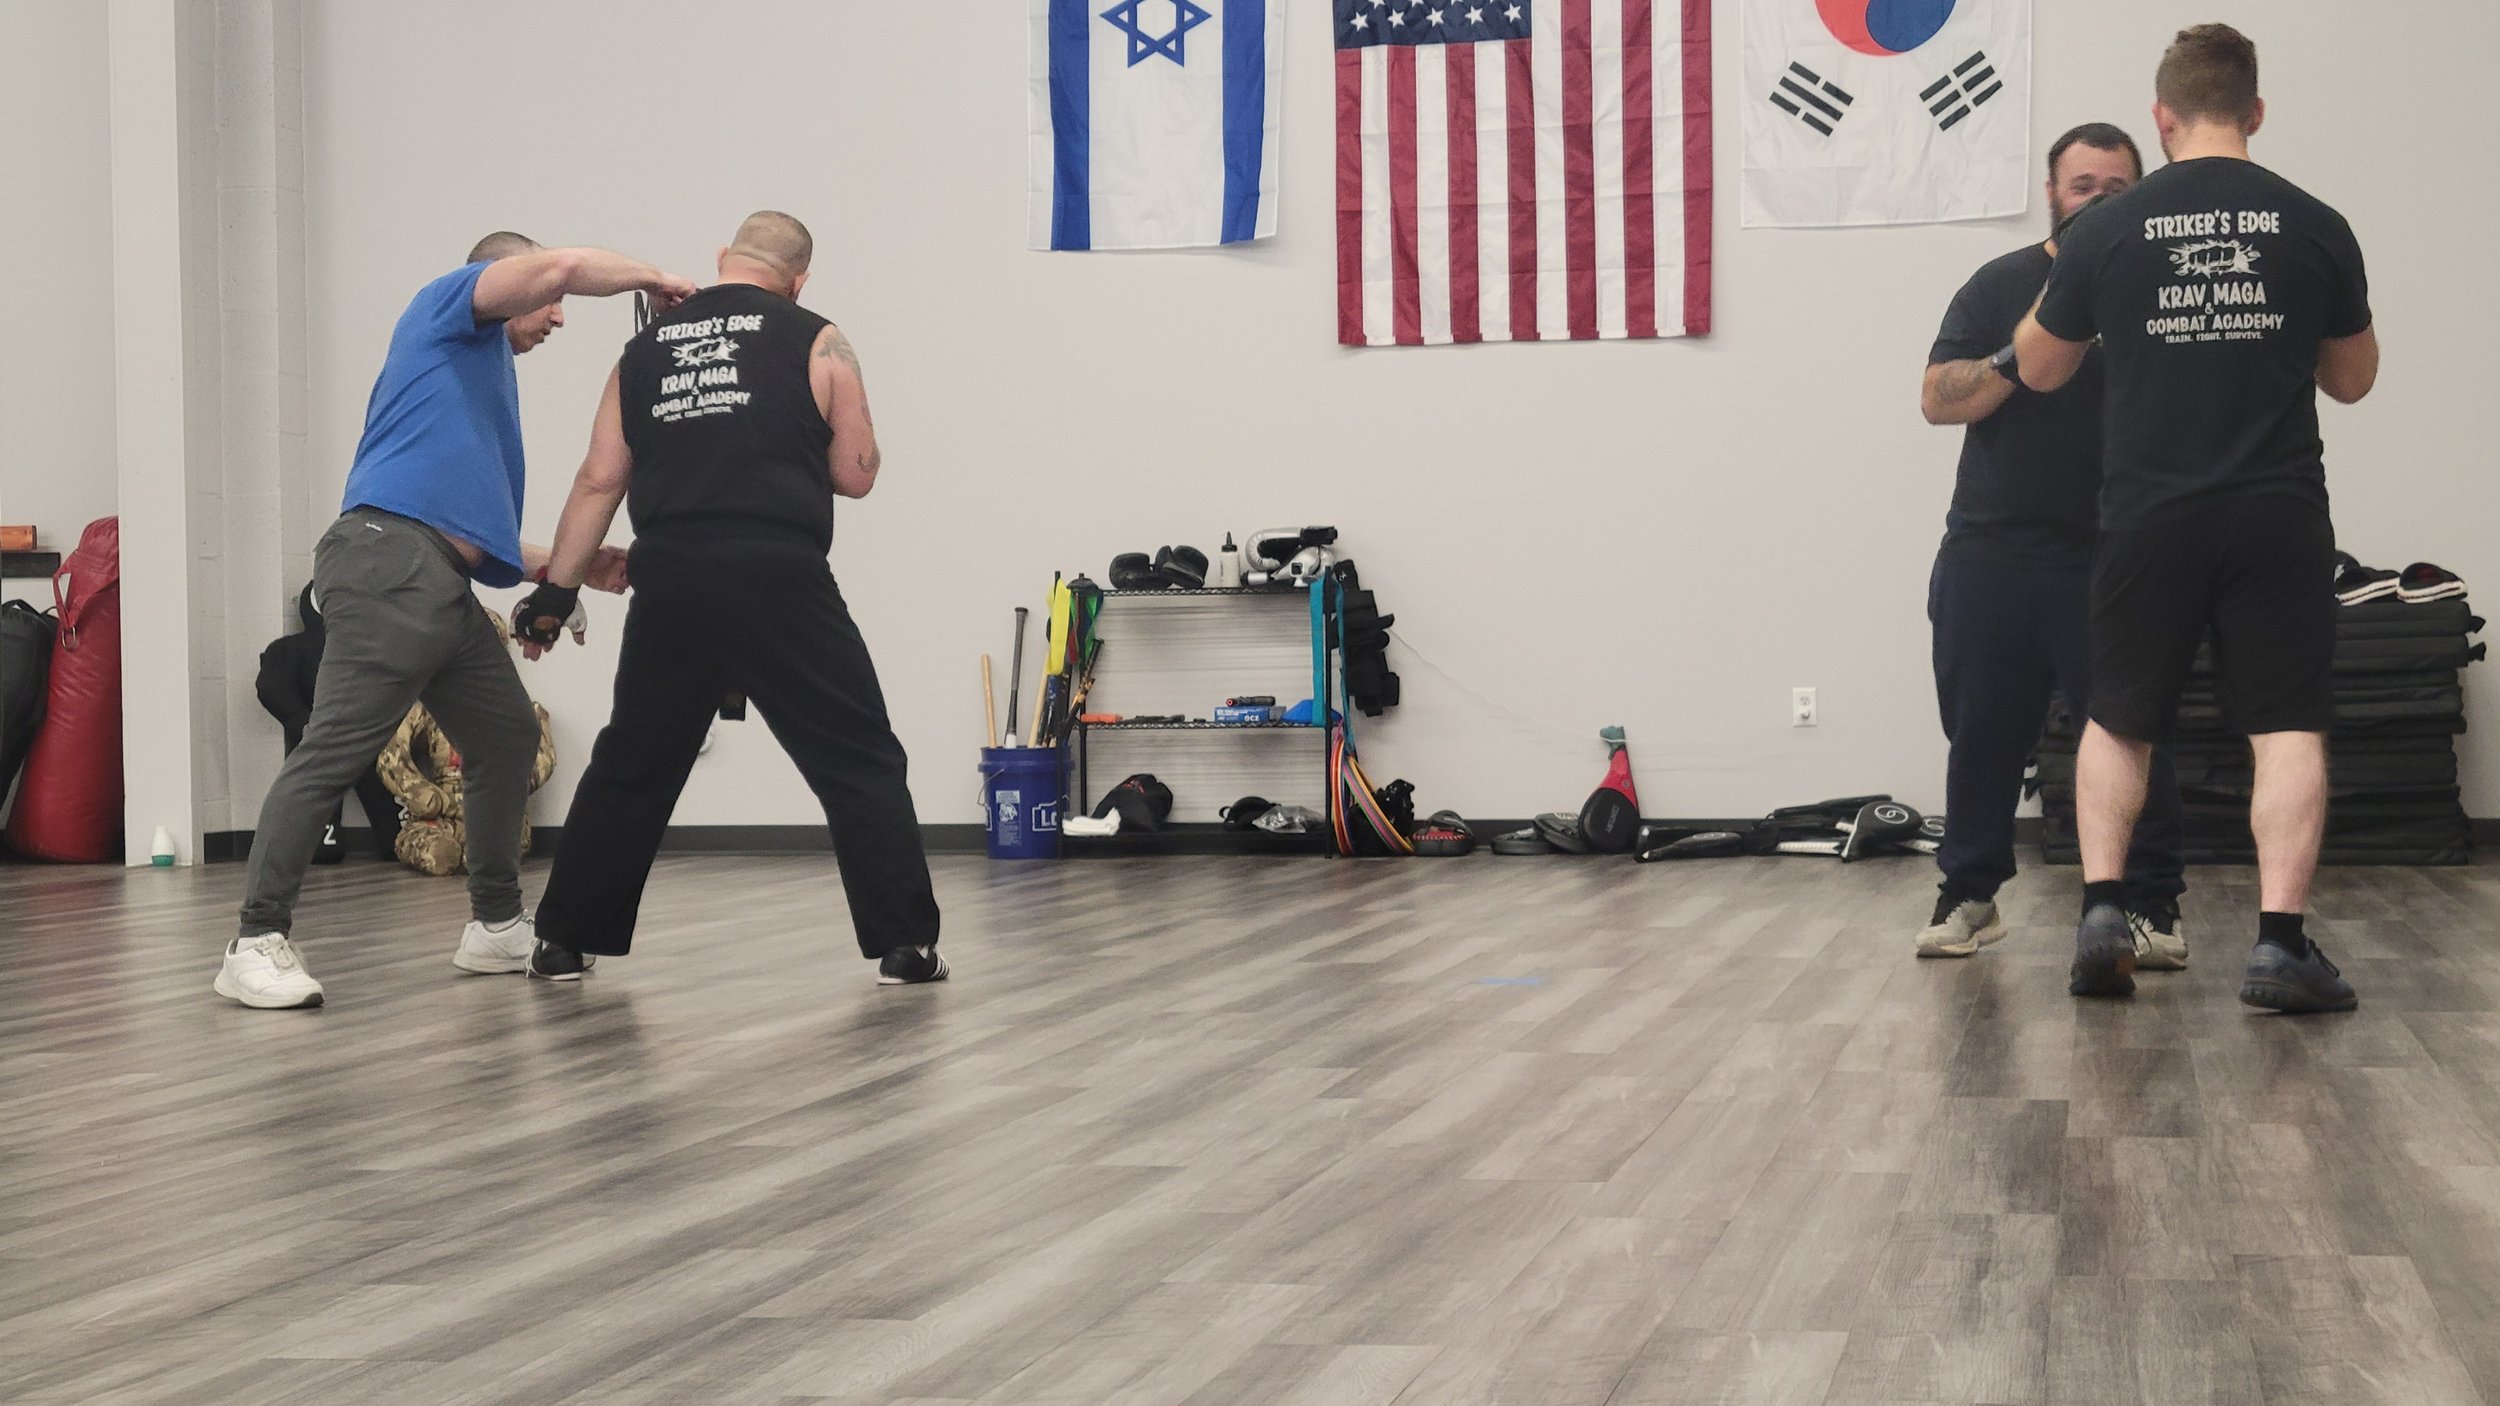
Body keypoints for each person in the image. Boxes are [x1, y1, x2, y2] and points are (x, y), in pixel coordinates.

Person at [214, 233, 696, 1010]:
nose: (559, 316)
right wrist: (653, 277)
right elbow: (564, 265)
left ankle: (496, 925)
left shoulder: (478, 376)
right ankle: (255, 940)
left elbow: (467, 532)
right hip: (388, 561)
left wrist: (566, 568)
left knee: (506, 737)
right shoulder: (444, 309)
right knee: (334, 749)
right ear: (502, 280)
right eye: (549, 302)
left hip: (436, 578)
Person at [2015, 24, 2379, 1011]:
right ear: (2254, 111)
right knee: (2286, 726)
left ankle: (2103, 913)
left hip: (2148, 514)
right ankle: (2279, 946)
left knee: (2119, 719)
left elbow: (2039, 368)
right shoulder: (2314, 223)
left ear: (2161, 116)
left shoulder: (2104, 230)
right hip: (2275, 511)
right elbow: (2353, 379)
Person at [511, 211, 945, 985]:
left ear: (722, 258)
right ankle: (905, 946)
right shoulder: (819, 339)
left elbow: (599, 480)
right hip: (780, 573)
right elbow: (854, 475)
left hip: (672, 578)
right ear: (798, 279)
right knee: (857, 756)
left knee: (634, 760)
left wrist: (554, 595)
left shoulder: (643, 351)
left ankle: (563, 941)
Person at [1914, 124, 2190, 968]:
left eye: (2117, 189)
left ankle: (2151, 904)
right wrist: (2026, 346)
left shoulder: (2160, 286)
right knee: (1981, 732)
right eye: (2083, 186)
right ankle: (1970, 893)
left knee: (2131, 730)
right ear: (2052, 194)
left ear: (2142, 196)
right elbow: (1937, 399)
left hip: (2117, 550)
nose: (2098, 201)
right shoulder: (2001, 283)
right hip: (1991, 548)